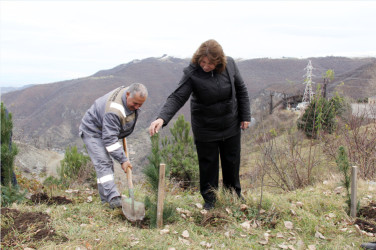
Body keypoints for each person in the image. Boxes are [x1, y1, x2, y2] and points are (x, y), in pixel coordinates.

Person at [149, 39, 251, 210]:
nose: (205, 66)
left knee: (231, 162)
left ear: (219, 61)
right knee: (208, 165)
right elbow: (177, 96)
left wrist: (245, 115)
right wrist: (162, 118)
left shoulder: (230, 65)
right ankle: (210, 201)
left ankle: (233, 196)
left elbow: (241, 89)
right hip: (206, 128)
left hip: (230, 123)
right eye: (203, 62)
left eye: (211, 63)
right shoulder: (192, 72)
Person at [79, 83, 148, 209]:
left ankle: (105, 201)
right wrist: (123, 160)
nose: (137, 107)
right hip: (93, 130)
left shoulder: (128, 94)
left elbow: (113, 131)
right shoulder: (114, 111)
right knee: (104, 162)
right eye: (135, 103)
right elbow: (110, 140)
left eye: (140, 104)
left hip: (106, 127)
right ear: (127, 94)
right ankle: (113, 198)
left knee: (104, 166)